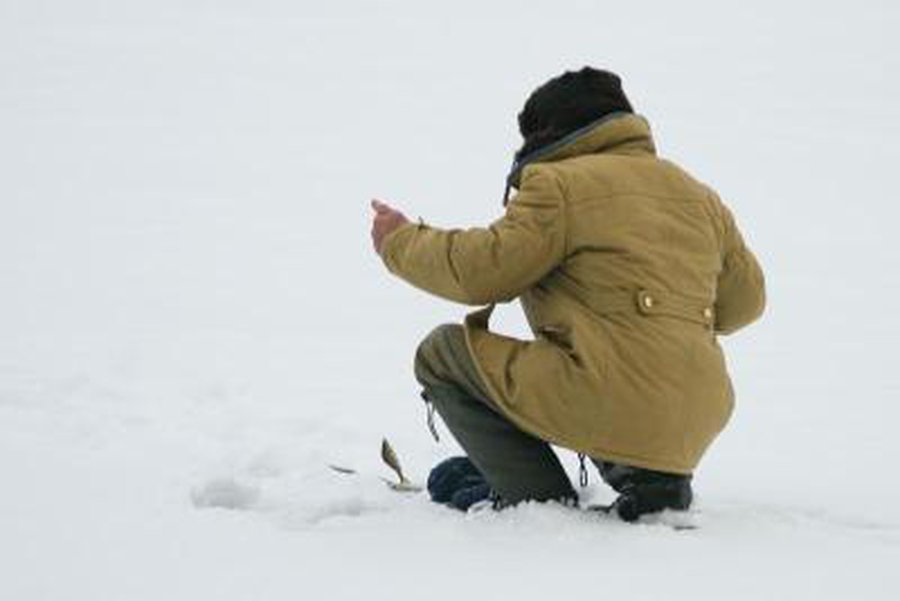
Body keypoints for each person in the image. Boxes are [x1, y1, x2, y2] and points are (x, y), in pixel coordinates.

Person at [370, 67, 765, 520]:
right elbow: (745, 304)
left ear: (549, 131)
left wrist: (400, 240)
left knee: (441, 354)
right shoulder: (700, 197)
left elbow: (482, 272)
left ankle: (535, 496)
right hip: (701, 408)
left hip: (611, 396)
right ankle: (654, 482)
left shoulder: (559, 184)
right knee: (613, 361)